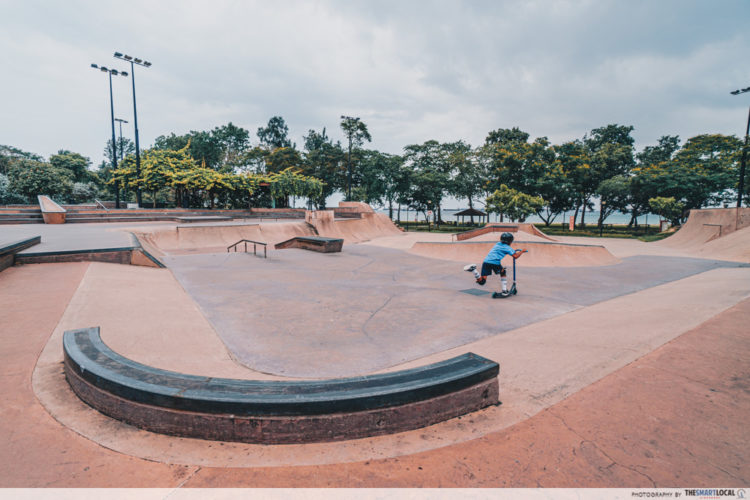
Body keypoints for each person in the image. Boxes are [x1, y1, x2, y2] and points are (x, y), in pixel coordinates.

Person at [464, 232, 526, 298]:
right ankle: (504, 291)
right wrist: (522, 251)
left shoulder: (498, 244)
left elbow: (502, 250)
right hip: (495, 263)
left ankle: (474, 270)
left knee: (482, 282)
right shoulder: (507, 248)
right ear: (510, 241)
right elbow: (515, 256)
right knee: (503, 272)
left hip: (486, 262)